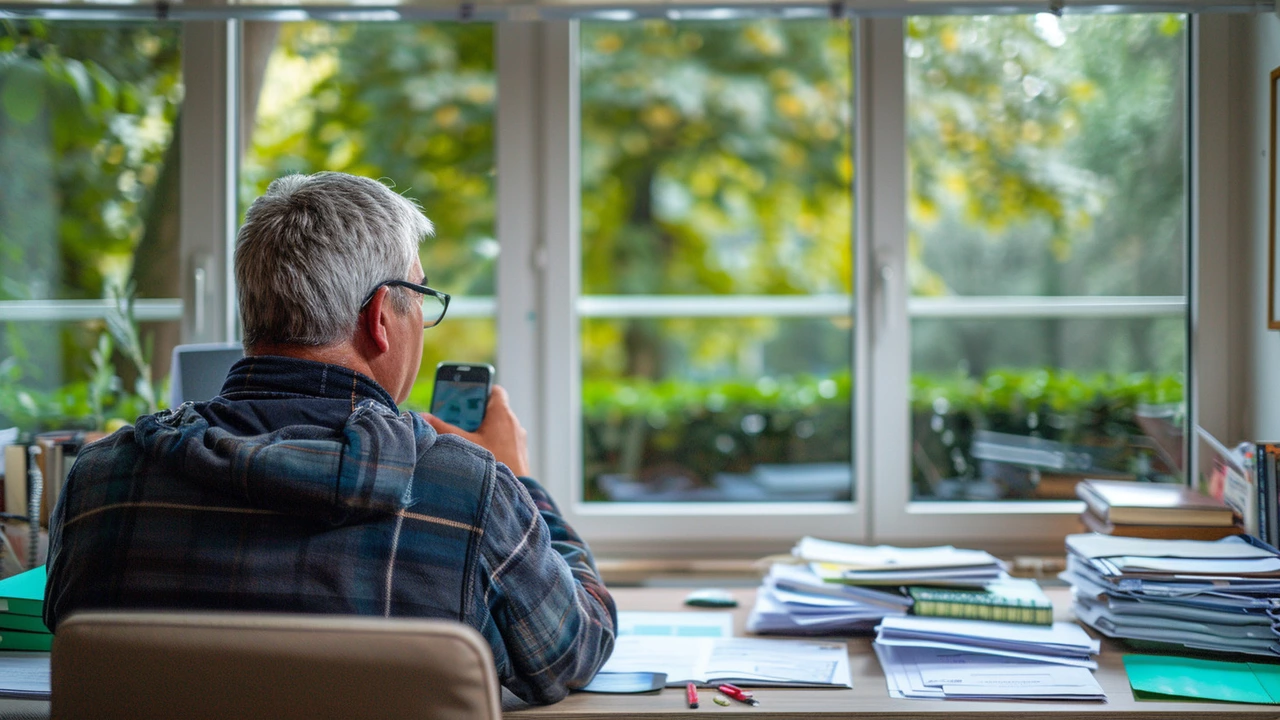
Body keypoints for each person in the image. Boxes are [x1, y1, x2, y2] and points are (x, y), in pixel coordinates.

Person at [42, 172, 617, 705]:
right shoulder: (469, 493)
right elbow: (575, 648)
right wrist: (519, 479)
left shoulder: (100, 482)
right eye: (419, 296)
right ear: (379, 320)